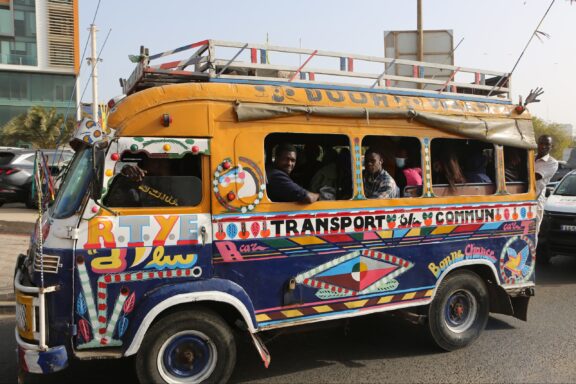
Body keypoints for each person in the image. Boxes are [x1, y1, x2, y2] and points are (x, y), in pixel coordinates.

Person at [534, 135, 559, 235]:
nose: (543, 146)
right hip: (522, 200)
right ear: (537, 144)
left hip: (536, 201)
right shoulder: (530, 157)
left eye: (547, 144)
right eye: (541, 143)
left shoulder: (552, 163)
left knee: (532, 232)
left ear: (551, 146)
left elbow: (536, 176)